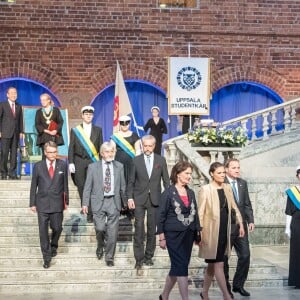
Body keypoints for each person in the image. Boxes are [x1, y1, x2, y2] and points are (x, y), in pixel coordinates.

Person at [198, 162, 244, 300]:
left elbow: (234, 207)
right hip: (211, 233)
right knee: (219, 263)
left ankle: (204, 292)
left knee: (212, 265)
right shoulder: (205, 189)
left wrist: (241, 223)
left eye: (224, 173)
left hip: (225, 230)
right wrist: (198, 232)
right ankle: (226, 295)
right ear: (212, 173)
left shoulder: (227, 187)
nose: (222, 175)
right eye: (219, 173)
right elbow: (200, 213)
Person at [157, 161, 201, 300]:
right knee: (182, 267)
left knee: (178, 267)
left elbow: (196, 214)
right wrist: (162, 237)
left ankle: (164, 296)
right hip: (172, 236)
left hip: (188, 235)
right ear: (177, 174)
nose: (189, 176)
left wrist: (197, 234)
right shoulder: (168, 193)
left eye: (190, 174)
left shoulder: (191, 192)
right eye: (187, 173)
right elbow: (160, 216)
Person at [127, 135, 170, 269]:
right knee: (139, 228)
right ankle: (138, 259)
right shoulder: (135, 161)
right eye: (145, 145)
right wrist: (129, 198)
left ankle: (148, 257)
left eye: (150, 146)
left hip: (155, 200)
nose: (148, 148)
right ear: (142, 146)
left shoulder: (161, 160)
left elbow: (166, 181)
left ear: (154, 146)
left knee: (152, 229)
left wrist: (167, 198)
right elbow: (131, 182)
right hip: (139, 198)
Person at [82, 141, 126, 267]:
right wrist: (85, 203)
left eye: (112, 151)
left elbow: (122, 186)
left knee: (112, 232)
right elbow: (87, 187)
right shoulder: (93, 167)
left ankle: (109, 257)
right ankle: (100, 244)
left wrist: (126, 200)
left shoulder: (119, 166)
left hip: (113, 201)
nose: (110, 154)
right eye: (107, 151)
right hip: (98, 202)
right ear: (101, 153)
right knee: (100, 228)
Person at [29, 141, 69, 269]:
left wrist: (66, 201)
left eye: (55, 152)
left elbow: (65, 184)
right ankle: (46, 257)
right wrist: (32, 203)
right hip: (42, 203)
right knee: (43, 232)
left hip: (57, 203)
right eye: (50, 152)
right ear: (45, 153)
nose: (52, 154)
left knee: (57, 228)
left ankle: (54, 245)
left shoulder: (62, 165)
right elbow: (33, 185)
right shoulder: (38, 166)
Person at [224, 158, 254, 297]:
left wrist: (251, 220)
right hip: (226, 227)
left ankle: (238, 284)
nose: (237, 170)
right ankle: (226, 287)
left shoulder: (243, 183)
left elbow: (247, 204)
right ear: (226, 169)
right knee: (224, 258)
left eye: (238, 167)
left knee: (245, 255)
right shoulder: (221, 183)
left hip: (241, 227)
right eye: (233, 167)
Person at [68, 105, 103, 223]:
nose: (88, 116)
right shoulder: (75, 130)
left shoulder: (98, 130)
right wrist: (71, 162)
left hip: (93, 160)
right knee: (82, 186)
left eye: (90, 114)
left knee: (93, 187)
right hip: (79, 161)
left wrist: (101, 163)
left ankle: (91, 213)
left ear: (93, 116)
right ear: (82, 116)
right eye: (86, 114)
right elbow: (71, 147)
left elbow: (101, 147)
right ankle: (85, 207)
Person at [0, 87, 24, 180]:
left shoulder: (19, 106)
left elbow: (20, 120)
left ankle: (12, 173)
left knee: (14, 154)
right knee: (4, 153)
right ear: (7, 95)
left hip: (16, 133)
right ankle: (3, 172)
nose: (14, 95)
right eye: (12, 93)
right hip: (5, 133)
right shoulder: (2, 105)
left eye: (15, 93)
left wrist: (21, 131)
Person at [111, 115, 141, 185]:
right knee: (119, 181)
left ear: (129, 123)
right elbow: (112, 151)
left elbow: (138, 150)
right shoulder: (115, 136)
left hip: (132, 162)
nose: (124, 125)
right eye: (122, 123)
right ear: (119, 124)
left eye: (126, 123)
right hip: (118, 162)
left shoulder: (134, 135)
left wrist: (137, 162)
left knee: (131, 180)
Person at [285, 165, 300, 289]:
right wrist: (287, 228)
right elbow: (289, 211)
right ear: (297, 176)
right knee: (296, 252)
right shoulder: (292, 192)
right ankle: (297, 280)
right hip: (297, 224)